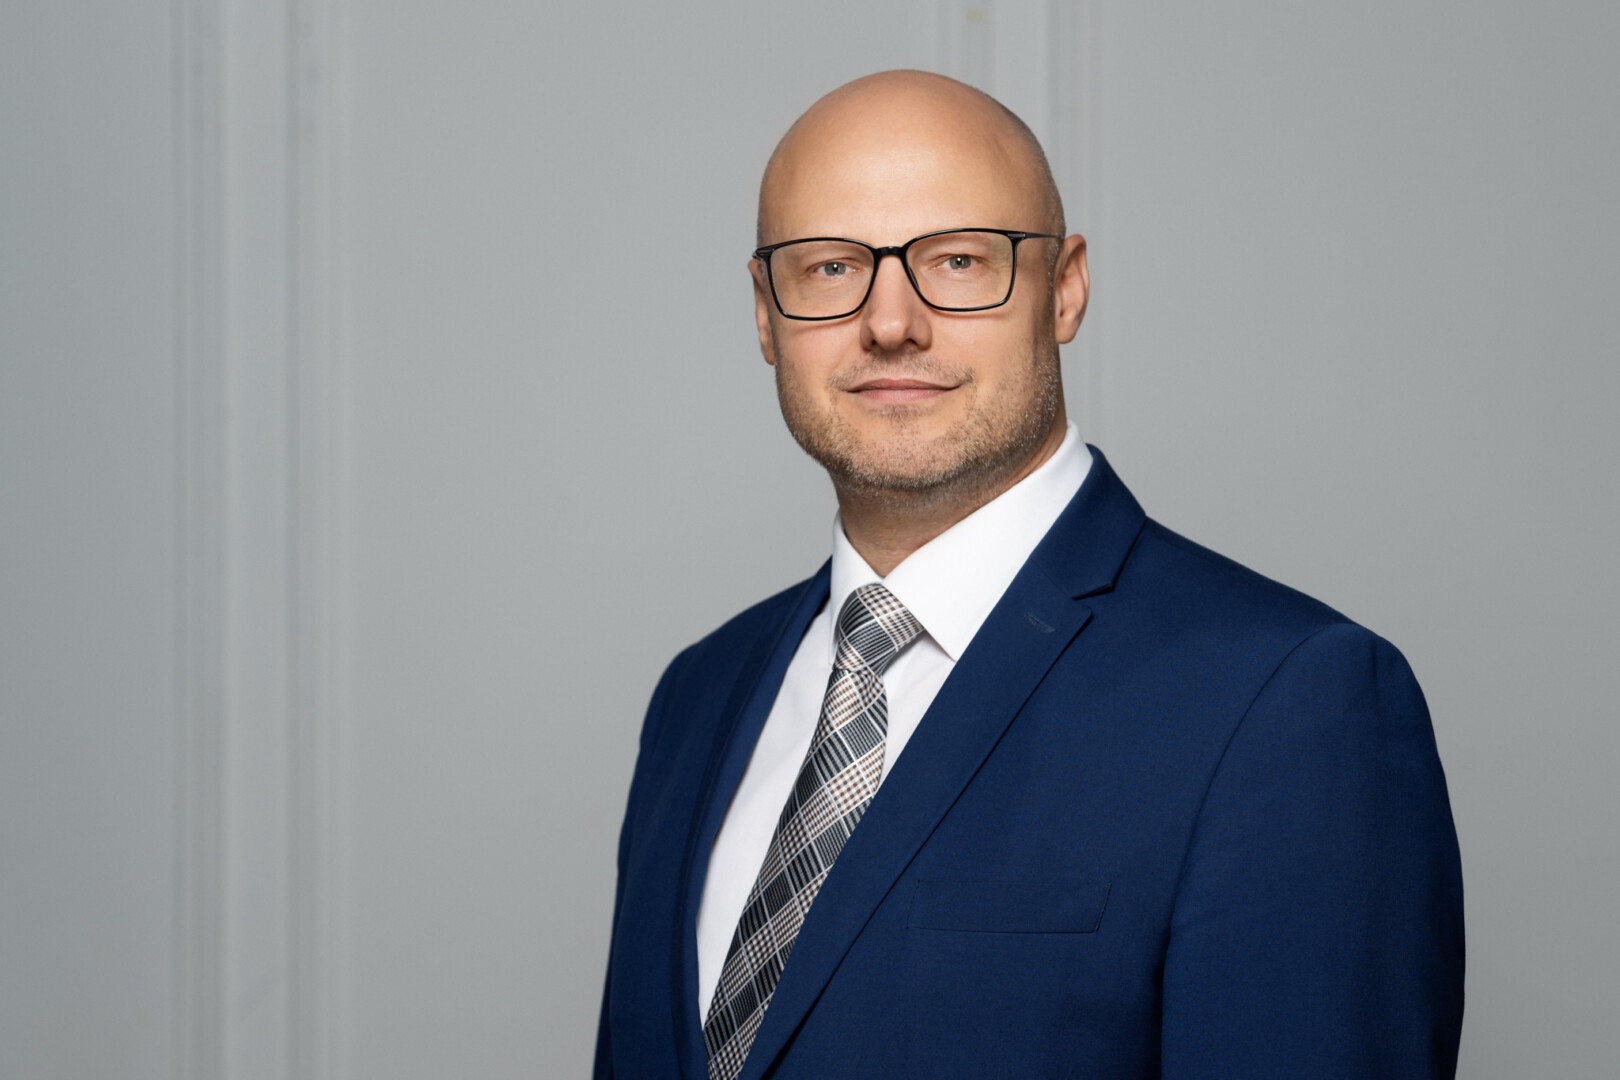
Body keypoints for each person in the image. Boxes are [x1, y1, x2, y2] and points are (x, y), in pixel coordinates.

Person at [594, 70, 1464, 1080]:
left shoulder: (1287, 702)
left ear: (1065, 289)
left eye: (959, 260)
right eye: (830, 268)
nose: (891, 322)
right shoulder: (698, 695)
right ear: (764, 313)